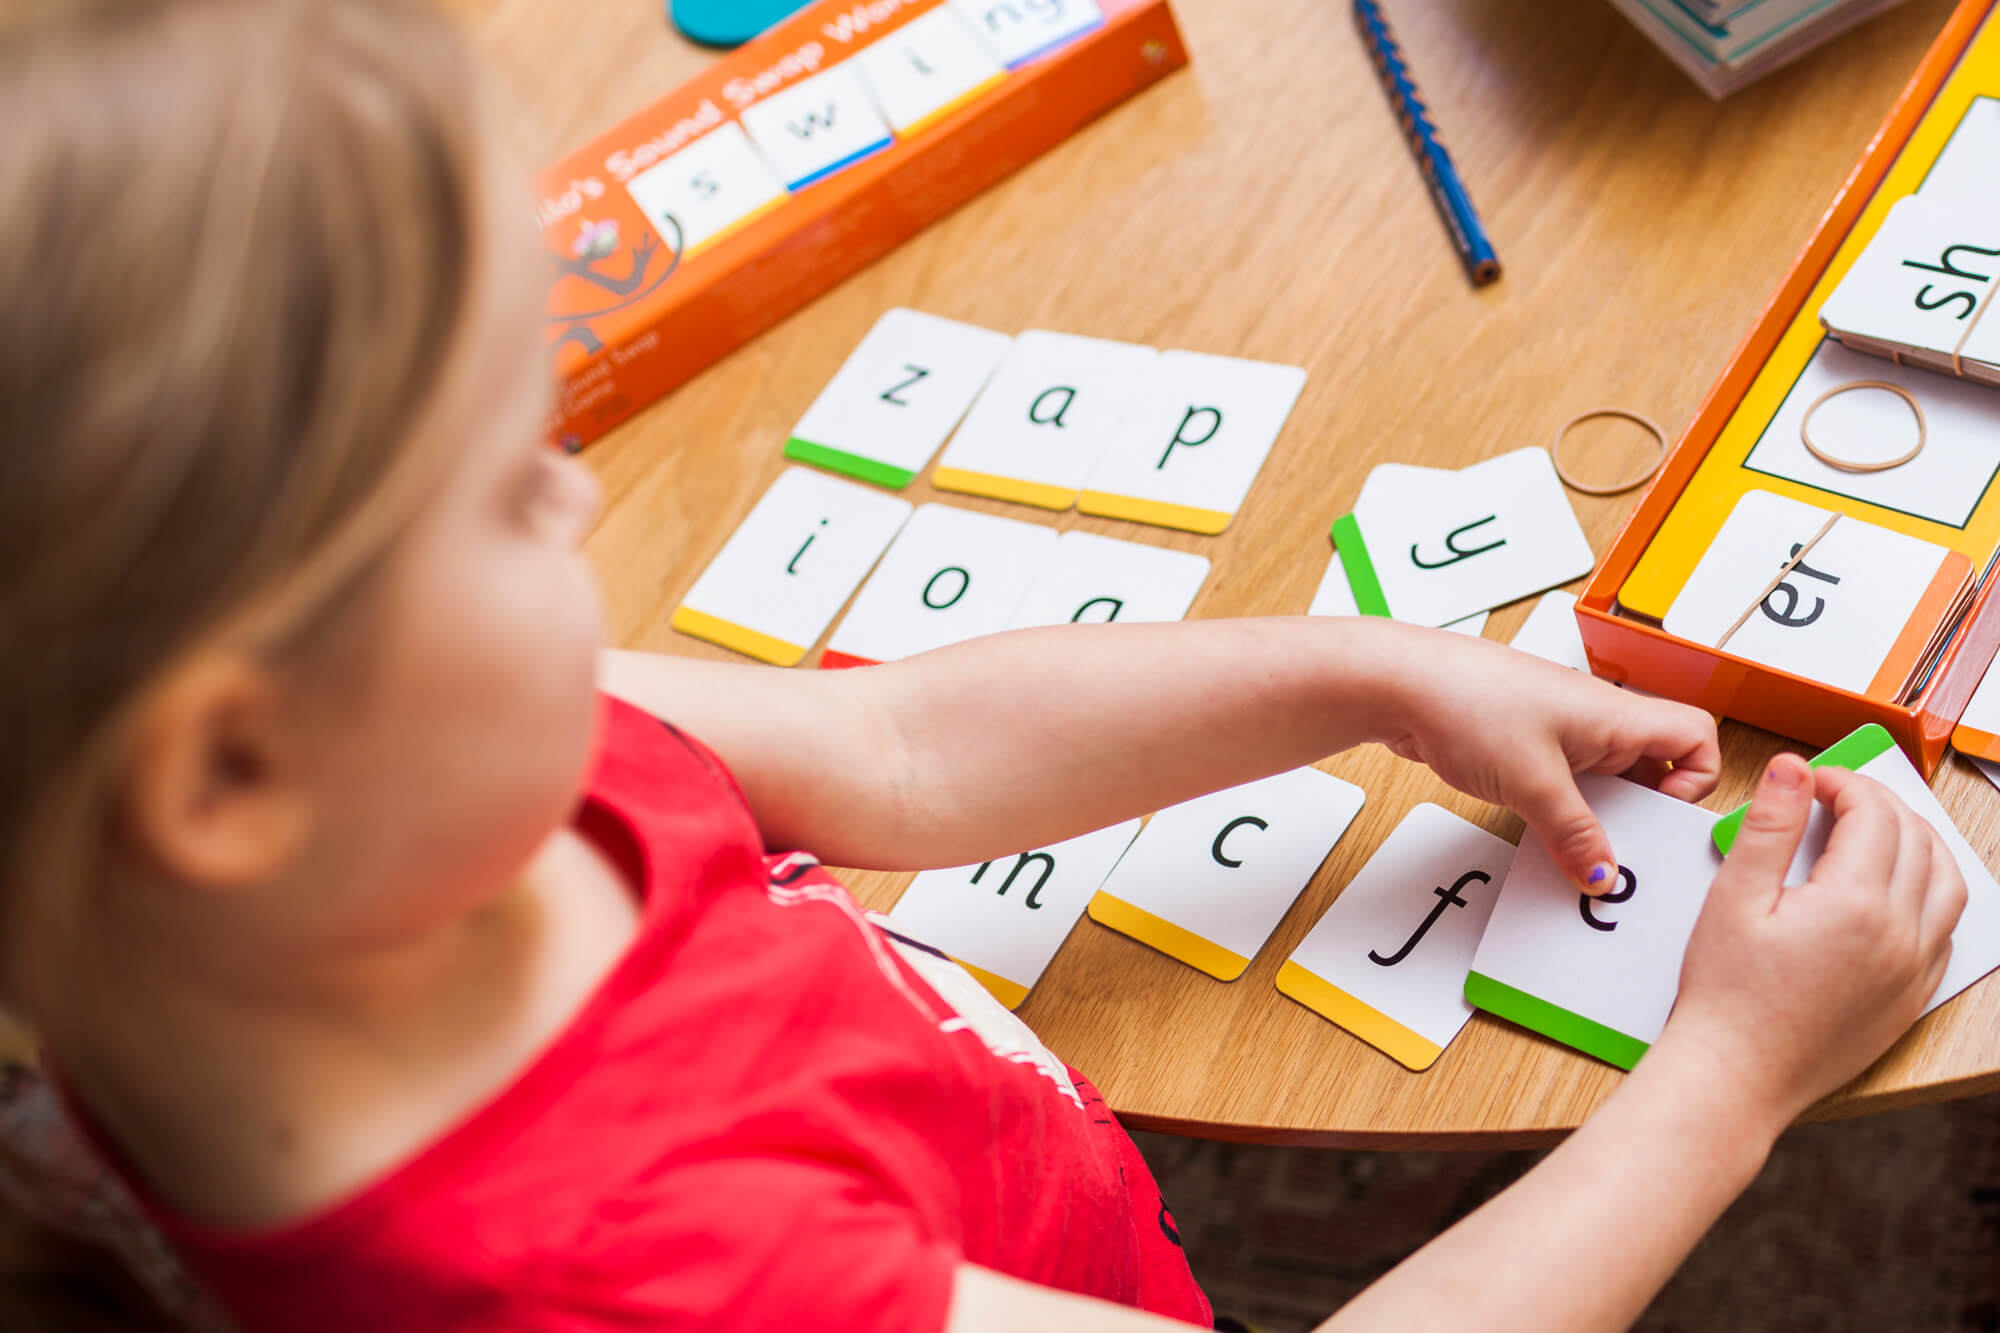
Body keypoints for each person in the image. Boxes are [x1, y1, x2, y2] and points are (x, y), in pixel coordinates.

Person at [0, 0, 1966, 1330]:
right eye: (504, 493)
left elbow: (905, 744)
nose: (581, 512)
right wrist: (1720, 1078)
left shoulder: (363, 809)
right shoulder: (657, 1281)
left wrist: (1368, 672)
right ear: (225, 773)